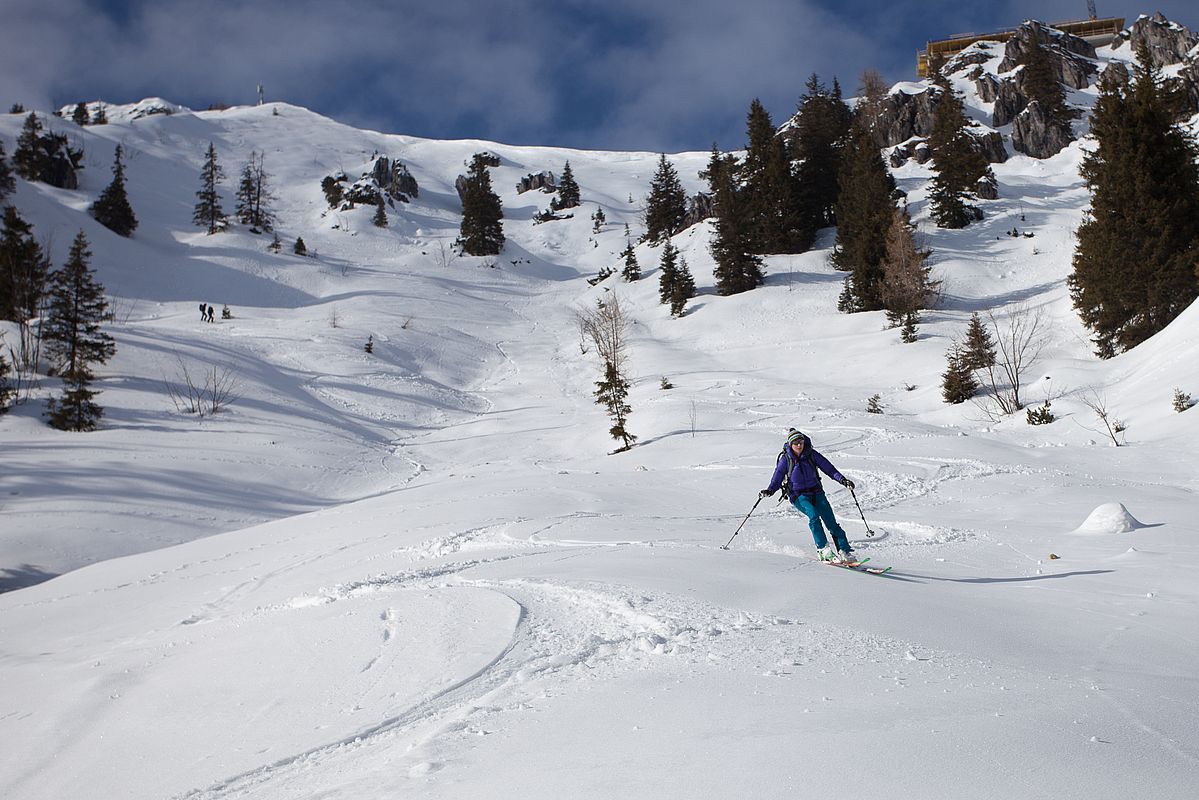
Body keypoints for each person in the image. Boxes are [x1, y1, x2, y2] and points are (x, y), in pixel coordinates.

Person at [760, 428, 858, 563]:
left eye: (800, 442)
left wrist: (842, 480)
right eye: (795, 443)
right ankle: (823, 550)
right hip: (798, 495)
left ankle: (844, 551)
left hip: (817, 492)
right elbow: (777, 477)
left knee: (831, 522)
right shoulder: (786, 459)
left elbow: (829, 468)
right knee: (813, 515)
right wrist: (770, 490)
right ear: (790, 445)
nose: (799, 445)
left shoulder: (811, 454)